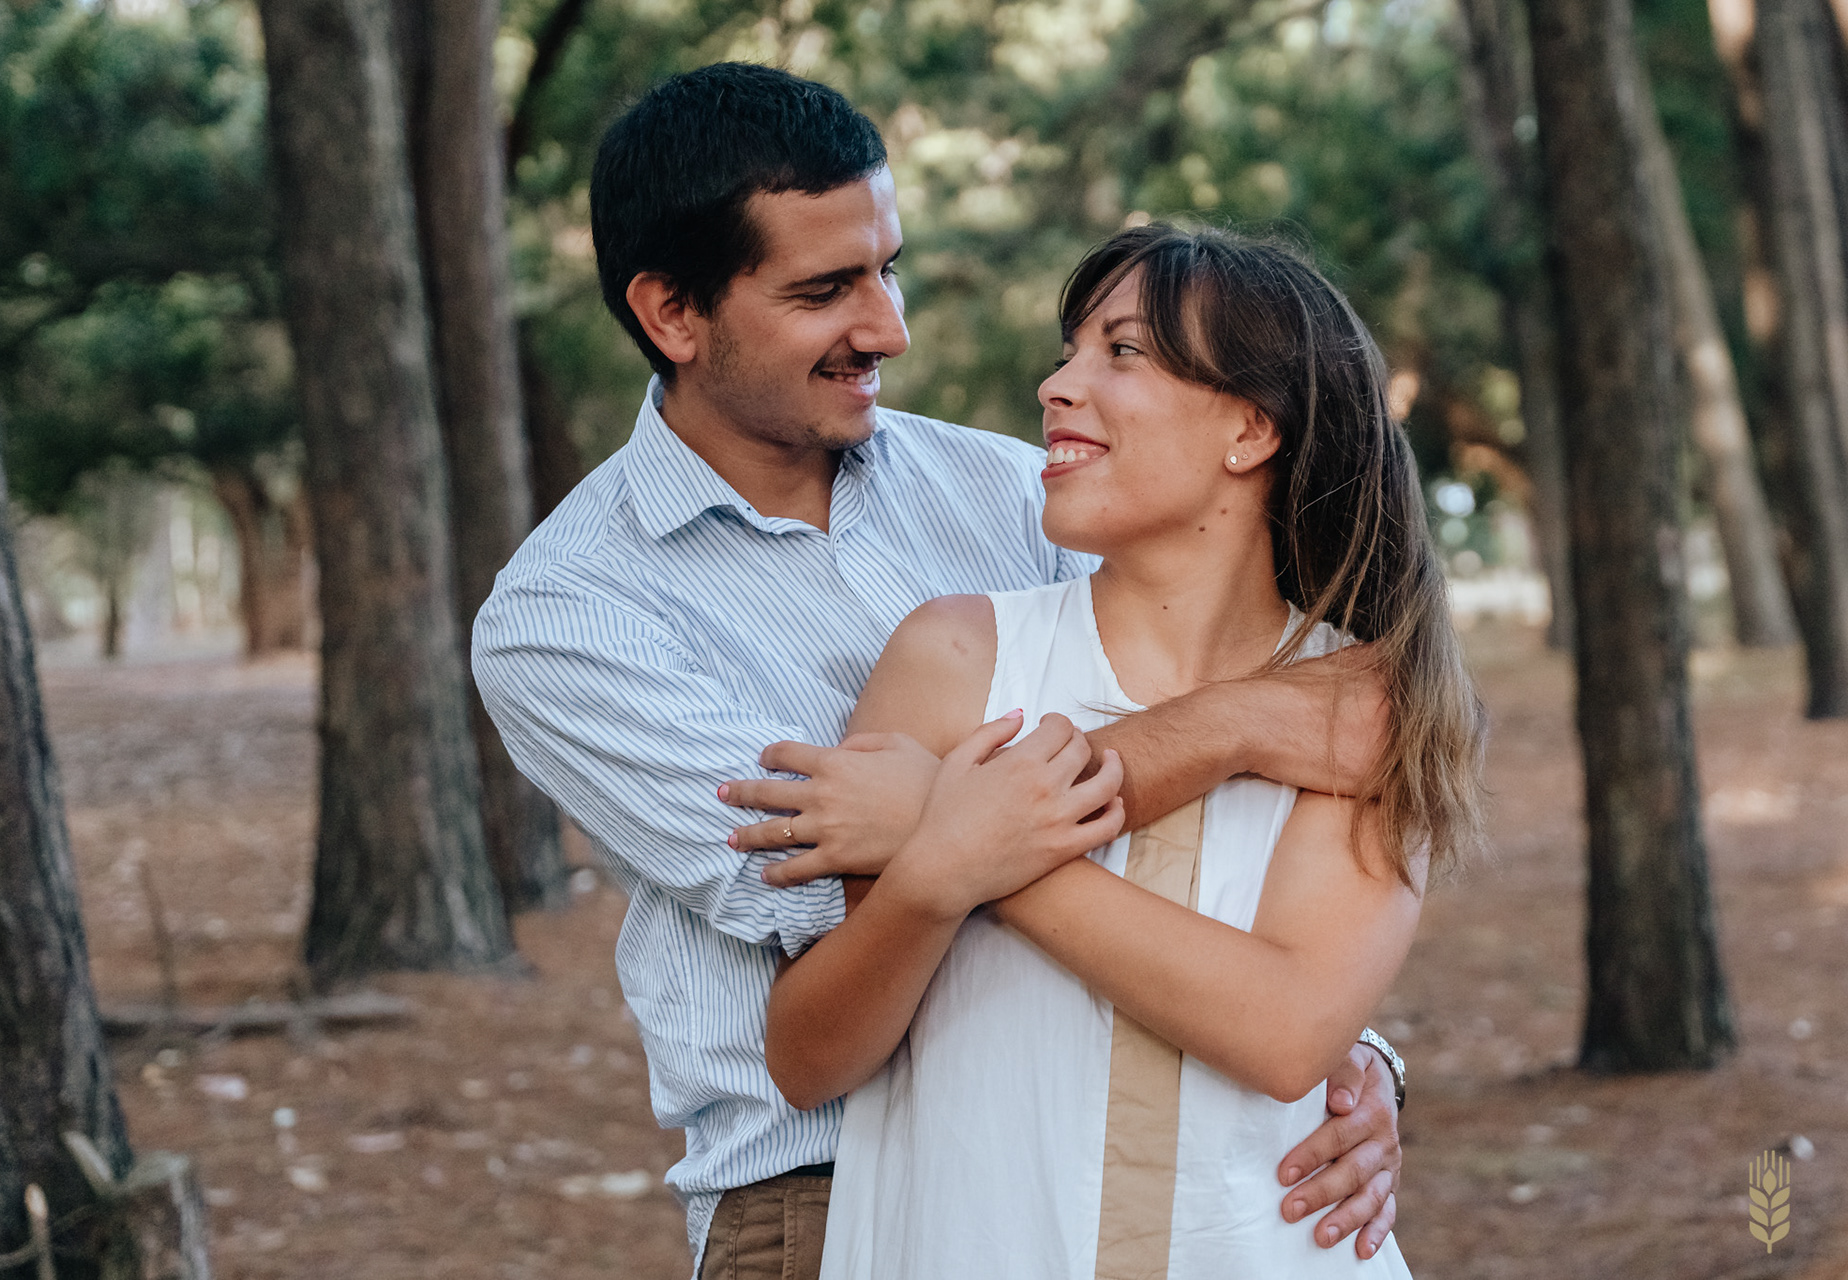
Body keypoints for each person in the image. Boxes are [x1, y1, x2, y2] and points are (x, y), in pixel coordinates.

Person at [473, 63, 1408, 1280]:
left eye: (888, 268)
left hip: (1124, 1126)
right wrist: (1229, 731)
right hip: (816, 1182)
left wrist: (1346, 1038)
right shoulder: (567, 616)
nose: (889, 329)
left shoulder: (1016, 490)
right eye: (825, 290)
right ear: (672, 314)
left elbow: (1229, 817)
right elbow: (829, 888)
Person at [762, 224, 1486, 1278]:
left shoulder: (1362, 708)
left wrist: (958, 840)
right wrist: (936, 866)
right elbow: (811, 1055)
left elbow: (1286, 1028)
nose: (1057, 384)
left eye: (1122, 352)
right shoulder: (957, 657)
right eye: (1069, 351)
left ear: (1249, 427)